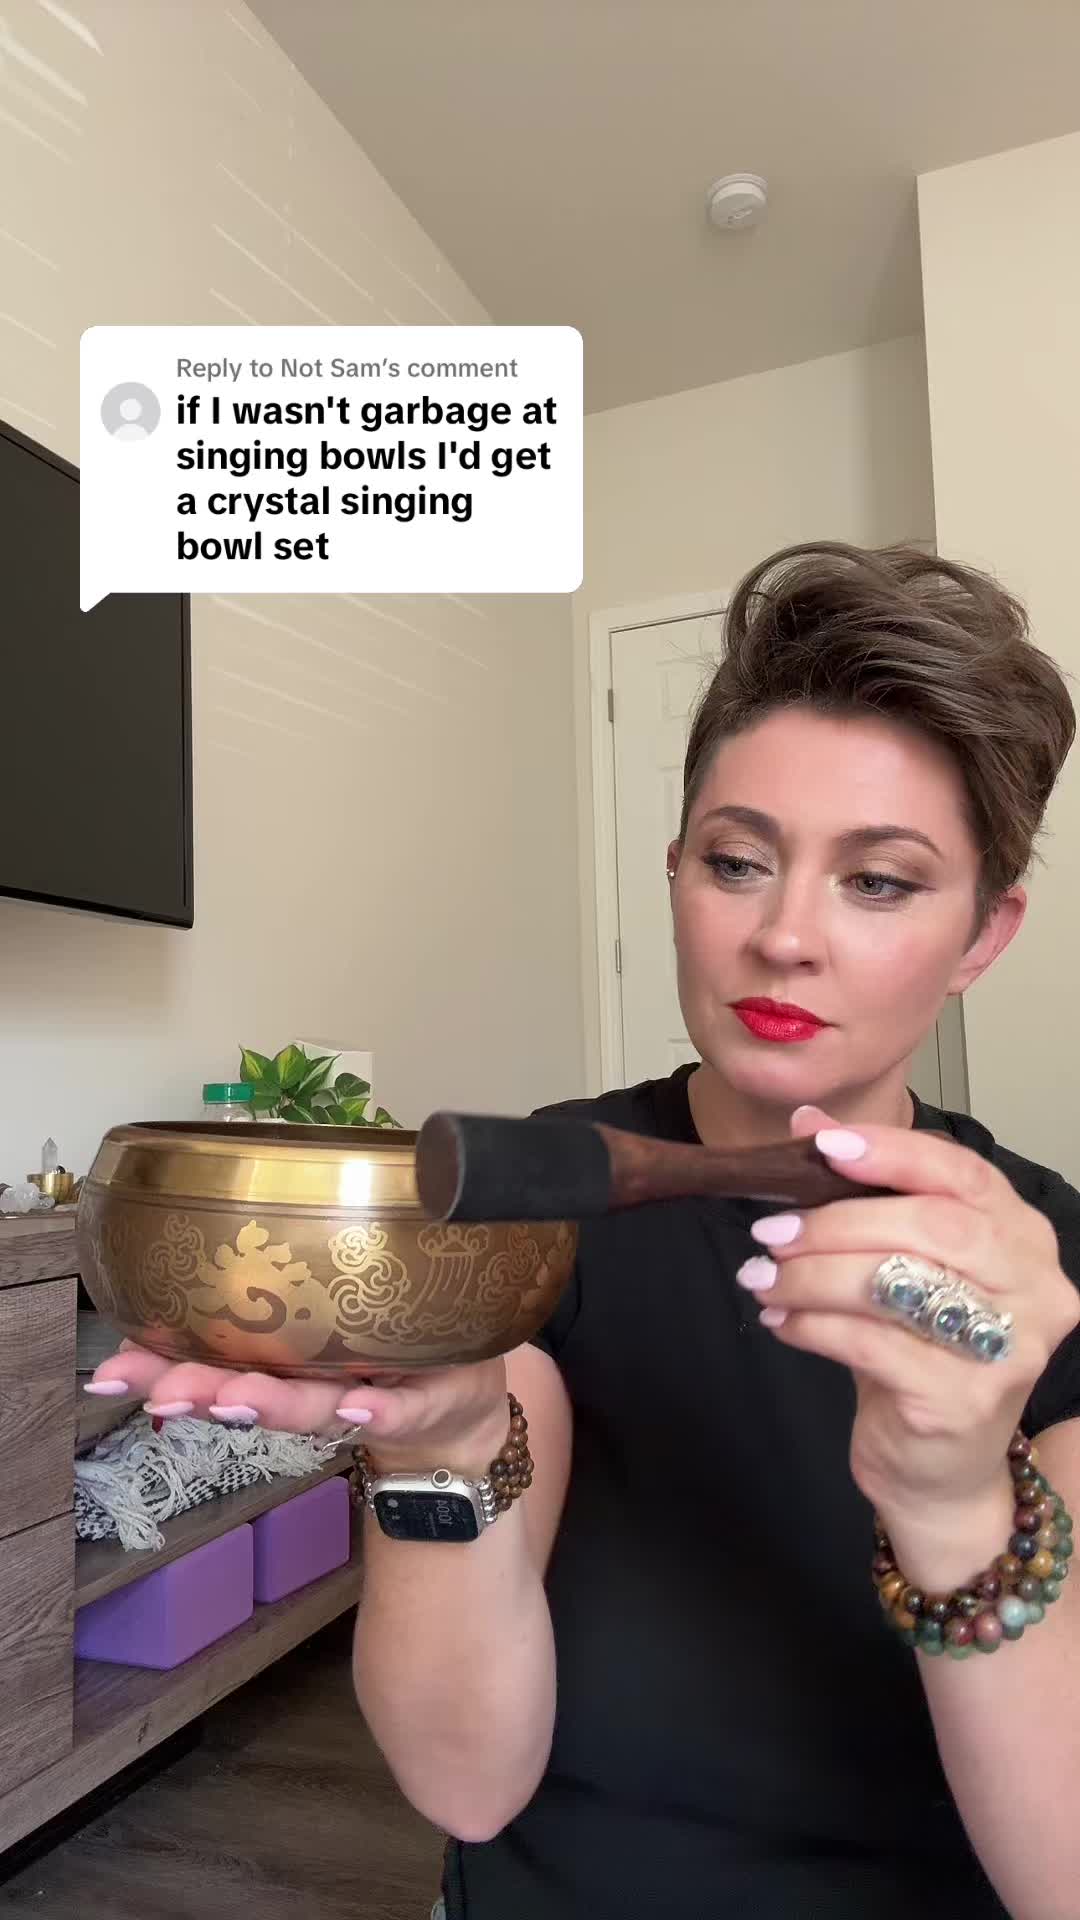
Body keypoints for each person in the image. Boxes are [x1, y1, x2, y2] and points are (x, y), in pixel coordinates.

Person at [88, 542, 1080, 1920]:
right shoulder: (537, 1203)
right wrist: (438, 1453)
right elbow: (465, 1788)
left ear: (982, 936)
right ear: (676, 874)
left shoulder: (1042, 1275)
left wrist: (957, 1504)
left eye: (880, 882)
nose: (784, 936)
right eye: (738, 862)